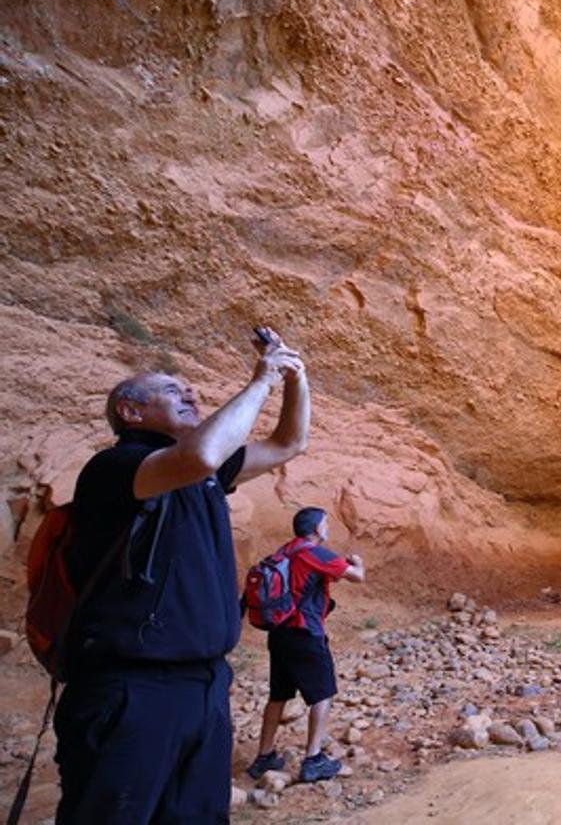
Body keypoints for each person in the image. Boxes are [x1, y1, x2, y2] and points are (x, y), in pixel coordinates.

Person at [55, 328, 309, 824]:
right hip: (132, 689)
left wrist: (296, 376)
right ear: (131, 412)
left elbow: (288, 443)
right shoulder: (116, 467)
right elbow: (199, 455)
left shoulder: (207, 475)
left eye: (191, 390)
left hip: (205, 685)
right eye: (173, 391)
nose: (190, 394)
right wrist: (261, 381)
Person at [247, 507, 365, 783]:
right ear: (315, 529)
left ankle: (264, 757)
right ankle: (313, 760)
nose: (327, 529)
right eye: (325, 524)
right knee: (322, 694)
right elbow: (356, 577)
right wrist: (358, 563)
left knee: (278, 695)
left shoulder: (285, 552)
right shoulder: (315, 552)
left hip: (278, 633)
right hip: (304, 632)